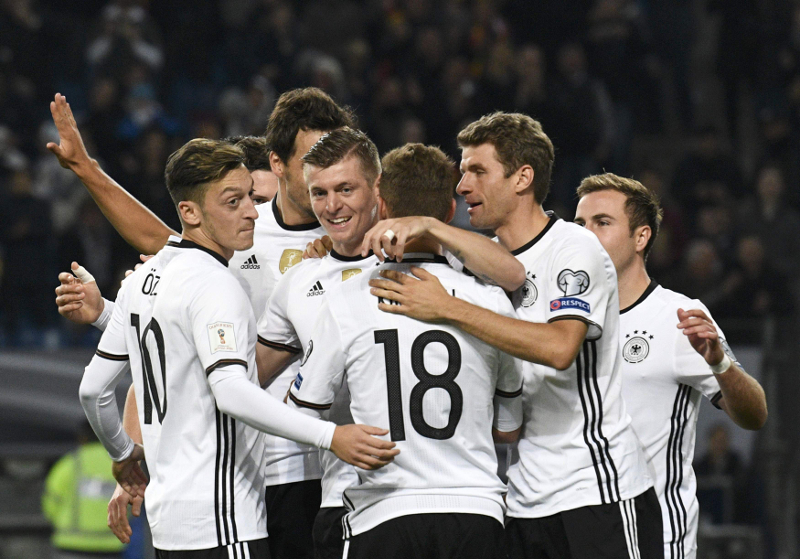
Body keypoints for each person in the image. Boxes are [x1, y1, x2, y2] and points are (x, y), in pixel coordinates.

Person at [48, 87, 357, 558]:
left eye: (337, 160)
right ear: (278, 163)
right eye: (314, 159)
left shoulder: (361, 238)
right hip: (241, 475)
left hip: (330, 472)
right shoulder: (240, 232)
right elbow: (173, 303)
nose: (327, 172)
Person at [366, 112, 662, 558]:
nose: (462, 186)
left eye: (477, 171)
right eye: (462, 172)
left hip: (595, 488)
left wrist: (448, 306)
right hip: (522, 496)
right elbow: (502, 271)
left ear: (522, 178)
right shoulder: (480, 259)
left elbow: (560, 348)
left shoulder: (574, 247)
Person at [257, 128, 525, 558]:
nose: (332, 204)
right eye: (321, 192)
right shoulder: (487, 297)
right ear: (450, 209)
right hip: (476, 510)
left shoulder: (347, 298)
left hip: (379, 509)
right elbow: (508, 426)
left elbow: (302, 409)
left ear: (380, 201)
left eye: (346, 189)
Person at [572, 172, 767, 558]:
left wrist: (719, 363)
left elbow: (755, 414)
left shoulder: (676, 316)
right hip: (576, 533)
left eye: (602, 222)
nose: (585, 234)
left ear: (641, 237)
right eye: (580, 224)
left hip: (654, 537)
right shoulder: (561, 320)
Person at [42, 421, 126, 559]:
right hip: (110, 545)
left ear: (82, 437)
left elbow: (51, 502)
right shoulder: (121, 466)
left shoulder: (69, 464)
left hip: (71, 545)